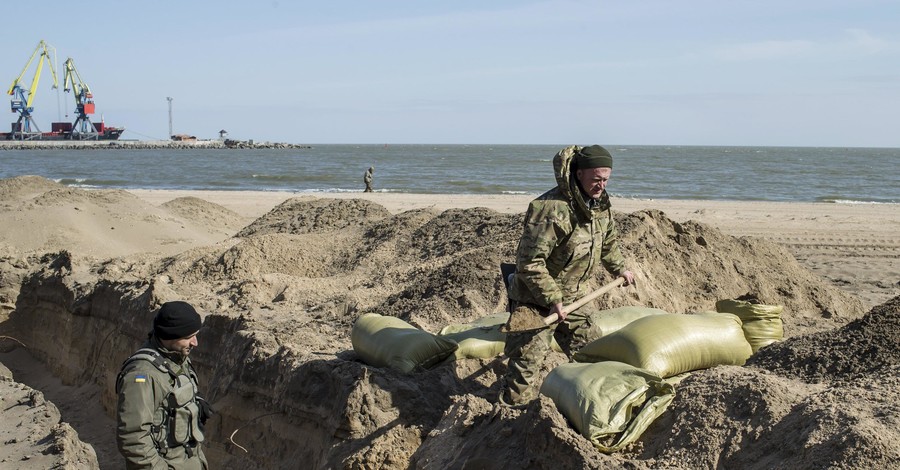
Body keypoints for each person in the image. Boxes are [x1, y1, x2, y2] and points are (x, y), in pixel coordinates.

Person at [499, 145, 635, 407]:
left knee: (593, 355)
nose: (602, 185)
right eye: (596, 179)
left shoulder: (599, 206)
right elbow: (529, 262)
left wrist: (619, 268)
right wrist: (552, 297)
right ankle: (508, 421)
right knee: (524, 373)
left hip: (575, 300)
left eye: (606, 179)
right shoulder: (550, 210)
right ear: (579, 173)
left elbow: (608, 243)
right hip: (534, 302)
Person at [116, 301, 212, 469]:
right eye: (189, 337)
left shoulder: (175, 356)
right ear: (171, 335)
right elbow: (133, 438)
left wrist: (194, 403)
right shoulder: (142, 375)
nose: (195, 342)